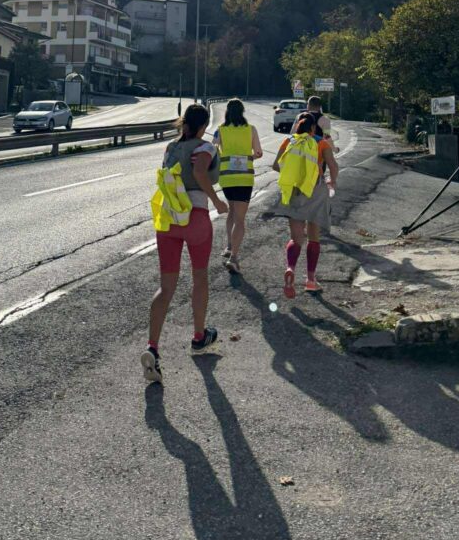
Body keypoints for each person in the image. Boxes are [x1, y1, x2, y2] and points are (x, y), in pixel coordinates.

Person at [142, 103, 228, 385]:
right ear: (204, 125)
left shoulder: (170, 148)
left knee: (166, 287)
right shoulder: (205, 147)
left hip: (168, 219)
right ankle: (199, 337)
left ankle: (152, 348)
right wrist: (216, 201)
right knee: (200, 277)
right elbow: (201, 172)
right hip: (196, 216)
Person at [272, 112, 338, 296]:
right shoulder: (321, 143)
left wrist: (294, 172)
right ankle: (310, 280)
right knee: (314, 237)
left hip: (294, 190)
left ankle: (291, 269)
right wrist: (332, 182)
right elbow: (333, 165)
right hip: (315, 189)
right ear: (312, 128)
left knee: (296, 238)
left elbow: (276, 165)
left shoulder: (289, 142)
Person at [213, 98, 263, 274]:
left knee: (232, 211)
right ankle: (234, 257)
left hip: (226, 177)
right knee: (240, 218)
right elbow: (258, 153)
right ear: (242, 112)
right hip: (244, 178)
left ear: (227, 112)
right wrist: (247, 156)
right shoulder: (251, 130)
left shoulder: (220, 130)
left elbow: (213, 149)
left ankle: (228, 246)